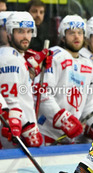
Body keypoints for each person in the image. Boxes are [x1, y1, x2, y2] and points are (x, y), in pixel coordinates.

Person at [38, 15, 93, 145]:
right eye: (71, 33)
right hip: (46, 135)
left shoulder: (88, 64)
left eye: (80, 33)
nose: (76, 37)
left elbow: (89, 102)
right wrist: (63, 119)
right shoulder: (55, 56)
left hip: (70, 137)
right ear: (63, 37)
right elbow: (42, 93)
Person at [0, 12, 46, 149]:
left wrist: (32, 71)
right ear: (10, 34)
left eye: (29, 31)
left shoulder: (17, 56)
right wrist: (27, 127)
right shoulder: (10, 58)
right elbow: (10, 100)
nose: (26, 36)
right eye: (20, 31)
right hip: (15, 133)